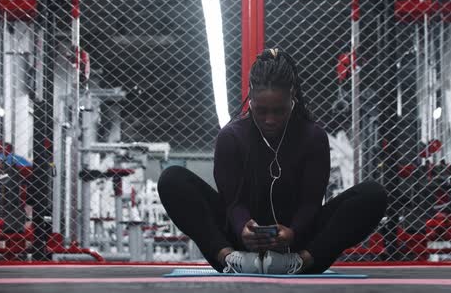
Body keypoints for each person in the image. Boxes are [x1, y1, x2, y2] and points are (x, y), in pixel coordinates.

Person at [157, 48, 387, 274]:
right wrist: (242, 226)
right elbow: (232, 202)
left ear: (292, 98)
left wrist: (293, 232)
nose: (270, 119)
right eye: (261, 110)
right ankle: (229, 259)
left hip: (298, 244)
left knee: (373, 194)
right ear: (251, 97)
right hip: (239, 242)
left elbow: (311, 202)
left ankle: (300, 263)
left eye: (279, 110)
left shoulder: (313, 137)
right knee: (172, 180)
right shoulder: (231, 137)